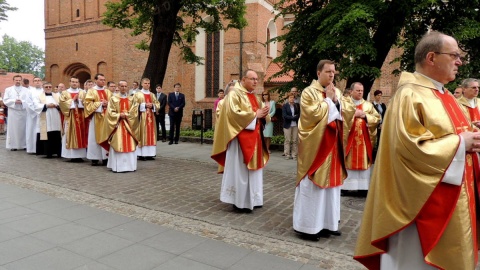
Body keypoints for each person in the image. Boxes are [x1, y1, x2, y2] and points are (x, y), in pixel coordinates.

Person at [354, 31, 480, 270]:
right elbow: (409, 149)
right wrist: (460, 143)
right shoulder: (409, 94)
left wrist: (472, 137)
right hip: (418, 207)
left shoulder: (447, 96)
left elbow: (454, 134)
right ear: (431, 57)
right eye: (454, 55)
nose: (460, 61)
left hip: (453, 198)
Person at [293, 60, 355, 240]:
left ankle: (328, 223)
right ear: (318, 72)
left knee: (332, 187)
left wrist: (336, 101)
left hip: (333, 147)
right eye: (328, 71)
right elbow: (310, 116)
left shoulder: (336, 92)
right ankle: (308, 227)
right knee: (314, 188)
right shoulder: (308, 92)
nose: (331, 75)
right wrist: (329, 100)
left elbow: (348, 110)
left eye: (334, 72)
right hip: (317, 149)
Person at [211, 69, 270, 212]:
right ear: (243, 80)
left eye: (257, 79)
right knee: (241, 171)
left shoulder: (254, 97)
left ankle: (254, 199)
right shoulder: (234, 94)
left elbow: (262, 115)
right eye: (252, 79)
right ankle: (239, 201)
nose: (255, 81)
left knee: (254, 172)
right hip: (239, 141)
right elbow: (233, 114)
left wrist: (264, 114)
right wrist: (255, 114)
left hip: (255, 139)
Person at [341, 82, 380, 193]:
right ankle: (346, 187)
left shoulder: (368, 105)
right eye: (358, 90)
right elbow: (339, 116)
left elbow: (377, 118)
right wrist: (353, 115)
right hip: (349, 139)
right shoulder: (345, 104)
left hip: (363, 140)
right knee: (347, 160)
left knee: (363, 161)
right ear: (351, 91)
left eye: (361, 91)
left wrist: (365, 116)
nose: (360, 92)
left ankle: (362, 188)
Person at [101, 80, 140, 172]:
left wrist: (127, 115)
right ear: (118, 87)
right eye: (122, 86)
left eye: (125, 86)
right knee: (117, 143)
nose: (124, 88)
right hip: (118, 126)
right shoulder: (113, 99)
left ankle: (130, 167)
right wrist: (119, 115)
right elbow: (110, 113)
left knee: (130, 145)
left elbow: (134, 112)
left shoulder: (132, 99)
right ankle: (117, 167)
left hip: (129, 127)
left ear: (127, 87)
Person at [84, 73, 112, 166]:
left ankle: (106, 157)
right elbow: (87, 104)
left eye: (104, 80)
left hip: (106, 118)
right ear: (95, 80)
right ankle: (94, 158)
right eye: (101, 80)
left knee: (107, 137)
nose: (103, 81)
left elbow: (113, 103)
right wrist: (100, 104)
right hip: (96, 118)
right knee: (93, 138)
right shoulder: (91, 91)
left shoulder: (108, 91)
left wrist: (107, 103)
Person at [59, 76, 87, 162]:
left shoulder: (82, 92)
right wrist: (72, 100)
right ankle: (70, 155)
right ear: (69, 82)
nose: (74, 83)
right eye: (73, 82)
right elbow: (62, 104)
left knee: (81, 135)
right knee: (69, 134)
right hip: (70, 118)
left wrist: (80, 102)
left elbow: (87, 103)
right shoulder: (64, 93)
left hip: (81, 117)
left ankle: (80, 155)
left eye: (76, 82)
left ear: (78, 83)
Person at [32, 82, 62, 158]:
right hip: (45, 117)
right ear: (43, 87)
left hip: (55, 117)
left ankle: (58, 152)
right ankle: (47, 152)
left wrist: (57, 106)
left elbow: (62, 104)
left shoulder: (57, 95)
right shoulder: (38, 96)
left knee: (56, 133)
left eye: (49, 87)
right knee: (46, 133)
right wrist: (46, 105)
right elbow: (36, 105)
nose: (48, 88)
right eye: (46, 87)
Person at [134, 78, 160, 160]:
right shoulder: (137, 94)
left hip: (151, 118)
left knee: (151, 134)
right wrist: (144, 105)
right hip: (142, 118)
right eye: (145, 83)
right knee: (143, 134)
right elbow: (133, 106)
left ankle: (150, 154)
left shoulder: (152, 94)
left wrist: (152, 106)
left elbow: (157, 104)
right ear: (142, 84)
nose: (147, 85)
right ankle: (142, 154)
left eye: (148, 83)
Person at [3, 75, 29, 151]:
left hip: (23, 111)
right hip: (13, 111)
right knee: (12, 128)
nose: (17, 81)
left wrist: (22, 102)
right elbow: (5, 100)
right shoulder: (8, 90)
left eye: (19, 80)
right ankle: (13, 145)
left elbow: (29, 100)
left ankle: (24, 145)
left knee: (24, 128)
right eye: (16, 80)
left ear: (21, 81)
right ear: (13, 80)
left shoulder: (26, 90)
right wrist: (14, 101)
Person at [25, 77, 44, 154]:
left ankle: (42, 149)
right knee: (32, 130)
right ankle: (32, 148)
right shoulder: (30, 91)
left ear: (41, 82)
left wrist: (42, 110)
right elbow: (28, 103)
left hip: (43, 114)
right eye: (35, 81)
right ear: (33, 82)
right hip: (33, 116)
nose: (37, 82)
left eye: (39, 80)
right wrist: (36, 111)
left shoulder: (44, 90)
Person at [282, 93, 300, 160]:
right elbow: (284, 116)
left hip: (295, 125)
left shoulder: (297, 106)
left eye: (293, 97)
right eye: (290, 97)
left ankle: (294, 155)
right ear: (288, 99)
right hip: (287, 125)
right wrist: (292, 118)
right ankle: (287, 154)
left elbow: (298, 114)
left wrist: (295, 118)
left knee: (295, 140)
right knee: (288, 140)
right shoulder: (285, 106)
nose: (292, 99)